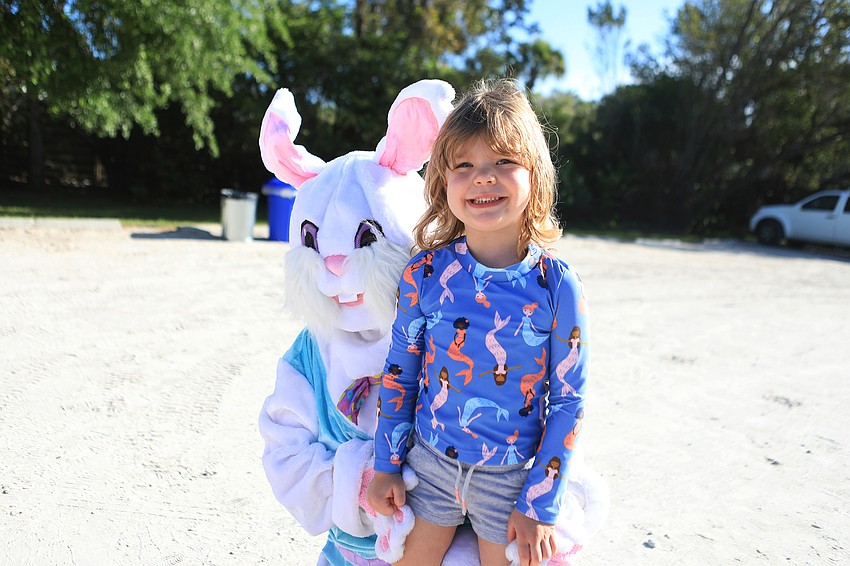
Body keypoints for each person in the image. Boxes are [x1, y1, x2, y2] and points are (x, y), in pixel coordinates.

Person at [365, 78, 590, 566]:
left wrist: (540, 502)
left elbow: (569, 401)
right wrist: (386, 464)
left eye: (502, 162)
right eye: (463, 166)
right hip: (428, 467)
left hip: (510, 482)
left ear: (536, 176)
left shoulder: (558, 286)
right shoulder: (425, 274)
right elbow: (399, 374)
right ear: (443, 183)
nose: (482, 178)